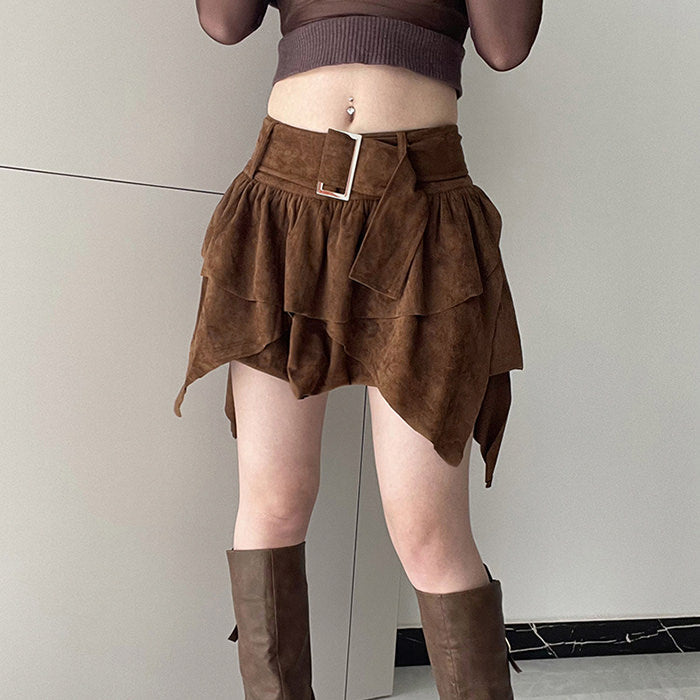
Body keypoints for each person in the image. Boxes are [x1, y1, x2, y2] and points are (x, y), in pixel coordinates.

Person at [176, 1, 542, 697]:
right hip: (284, 200)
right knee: (274, 501)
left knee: (429, 533)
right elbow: (223, 20)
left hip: (422, 211)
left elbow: (505, 45)